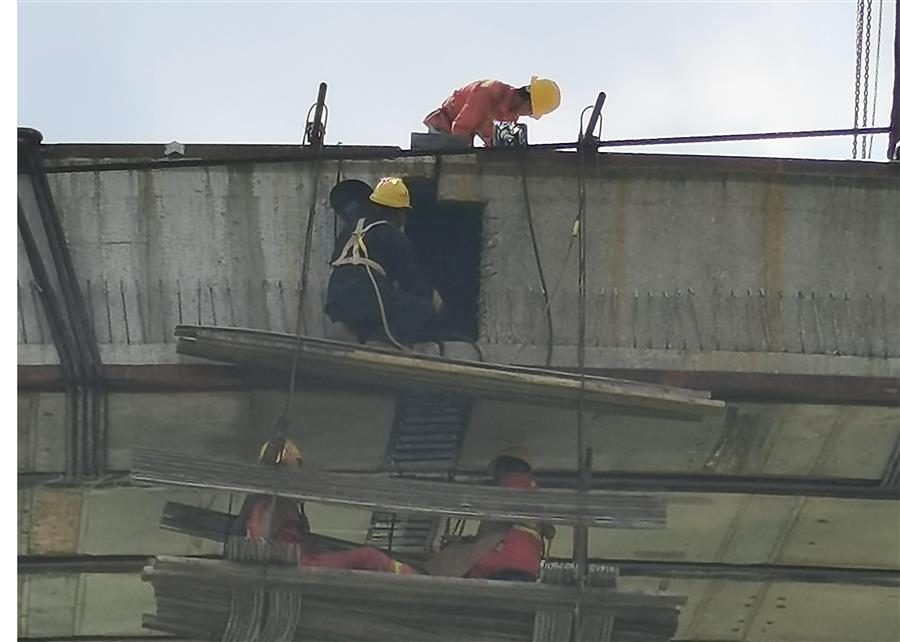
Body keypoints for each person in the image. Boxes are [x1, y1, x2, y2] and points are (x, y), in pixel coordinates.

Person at [244, 438, 417, 574]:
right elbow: (271, 542)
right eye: (296, 465)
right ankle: (413, 579)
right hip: (297, 566)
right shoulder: (272, 504)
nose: (299, 473)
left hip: (295, 563)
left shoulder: (266, 503)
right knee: (369, 557)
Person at [325, 176, 443, 346]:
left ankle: (360, 336)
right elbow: (410, 282)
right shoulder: (392, 234)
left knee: (381, 306)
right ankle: (380, 343)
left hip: (335, 301)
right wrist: (431, 296)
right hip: (365, 297)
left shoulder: (349, 231)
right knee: (421, 309)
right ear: (398, 212)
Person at [423, 447, 554, 581]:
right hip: (528, 564)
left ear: (503, 466)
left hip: (504, 557)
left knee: (450, 562)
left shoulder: (513, 480)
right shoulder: (534, 490)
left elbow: (501, 524)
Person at [423, 77, 561, 147]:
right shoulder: (488, 93)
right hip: (443, 128)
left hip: (463, 136)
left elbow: (493, 140)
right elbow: (460, 128)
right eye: (531, 112)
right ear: (527, 103)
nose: (529, 115)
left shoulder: (511, 116)